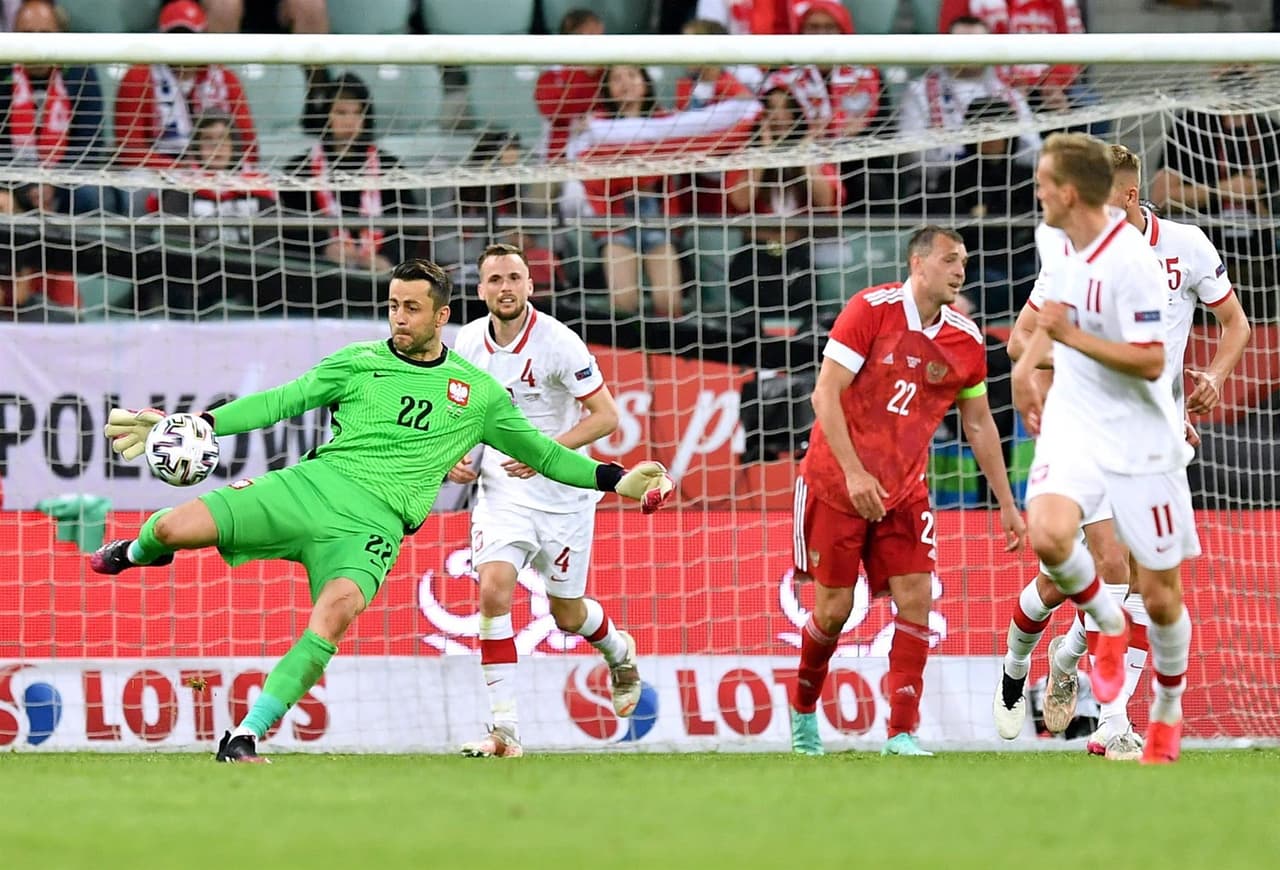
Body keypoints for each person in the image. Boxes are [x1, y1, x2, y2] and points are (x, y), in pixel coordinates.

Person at [88, 258, 675, 764]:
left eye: (413, 308)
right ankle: (135, 552)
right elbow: (280, 402)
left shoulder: (478, 395)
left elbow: (545, 454)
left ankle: (245, 735)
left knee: (332, 618)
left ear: (441, 316)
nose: (399, 318)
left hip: (373, 530)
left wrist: (618, 479)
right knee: (170, 527)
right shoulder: (358, 361)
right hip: (310, 487)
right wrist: (201, 424)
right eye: (394, 305)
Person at [993, 143, 1250, 758]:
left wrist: (1211, 375)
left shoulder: (1169, 253)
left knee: (1148, 590)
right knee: (1073, 552)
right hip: (1081, 426)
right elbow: (1023, 340)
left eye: (1057, 188)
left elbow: (1192, 342)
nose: (1050, 200)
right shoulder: (1060, 249)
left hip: (1149, 433)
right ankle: (1041, 670)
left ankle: (1095, 678)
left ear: (1124, 197)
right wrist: (1029, 377)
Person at [787, 225, 1027, 758]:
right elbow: (824, 395)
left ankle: (900, 731)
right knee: (832, 611)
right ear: (918, 264)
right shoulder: (870, 310)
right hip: (834, 482)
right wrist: (853, 474)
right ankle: (803, 711)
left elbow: (981, 425)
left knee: (916, 598)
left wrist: (1008, 503)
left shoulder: (967, 341)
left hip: (904, 490)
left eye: (963, 261)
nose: (960, 269)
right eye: (949, 259)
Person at [448, 244, 634, 758]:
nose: (504, 288)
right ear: (481, 289)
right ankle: (504, 731)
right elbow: (458, 416)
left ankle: (619, 653)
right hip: (502, 492)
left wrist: (546, 454)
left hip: (563, 497)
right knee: (493, 589)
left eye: (514, 277)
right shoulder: (466, 342)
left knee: (568, 616)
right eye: (494, 279)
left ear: (530, 285)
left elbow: (605, 417)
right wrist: (454, 457)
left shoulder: (559, 342)